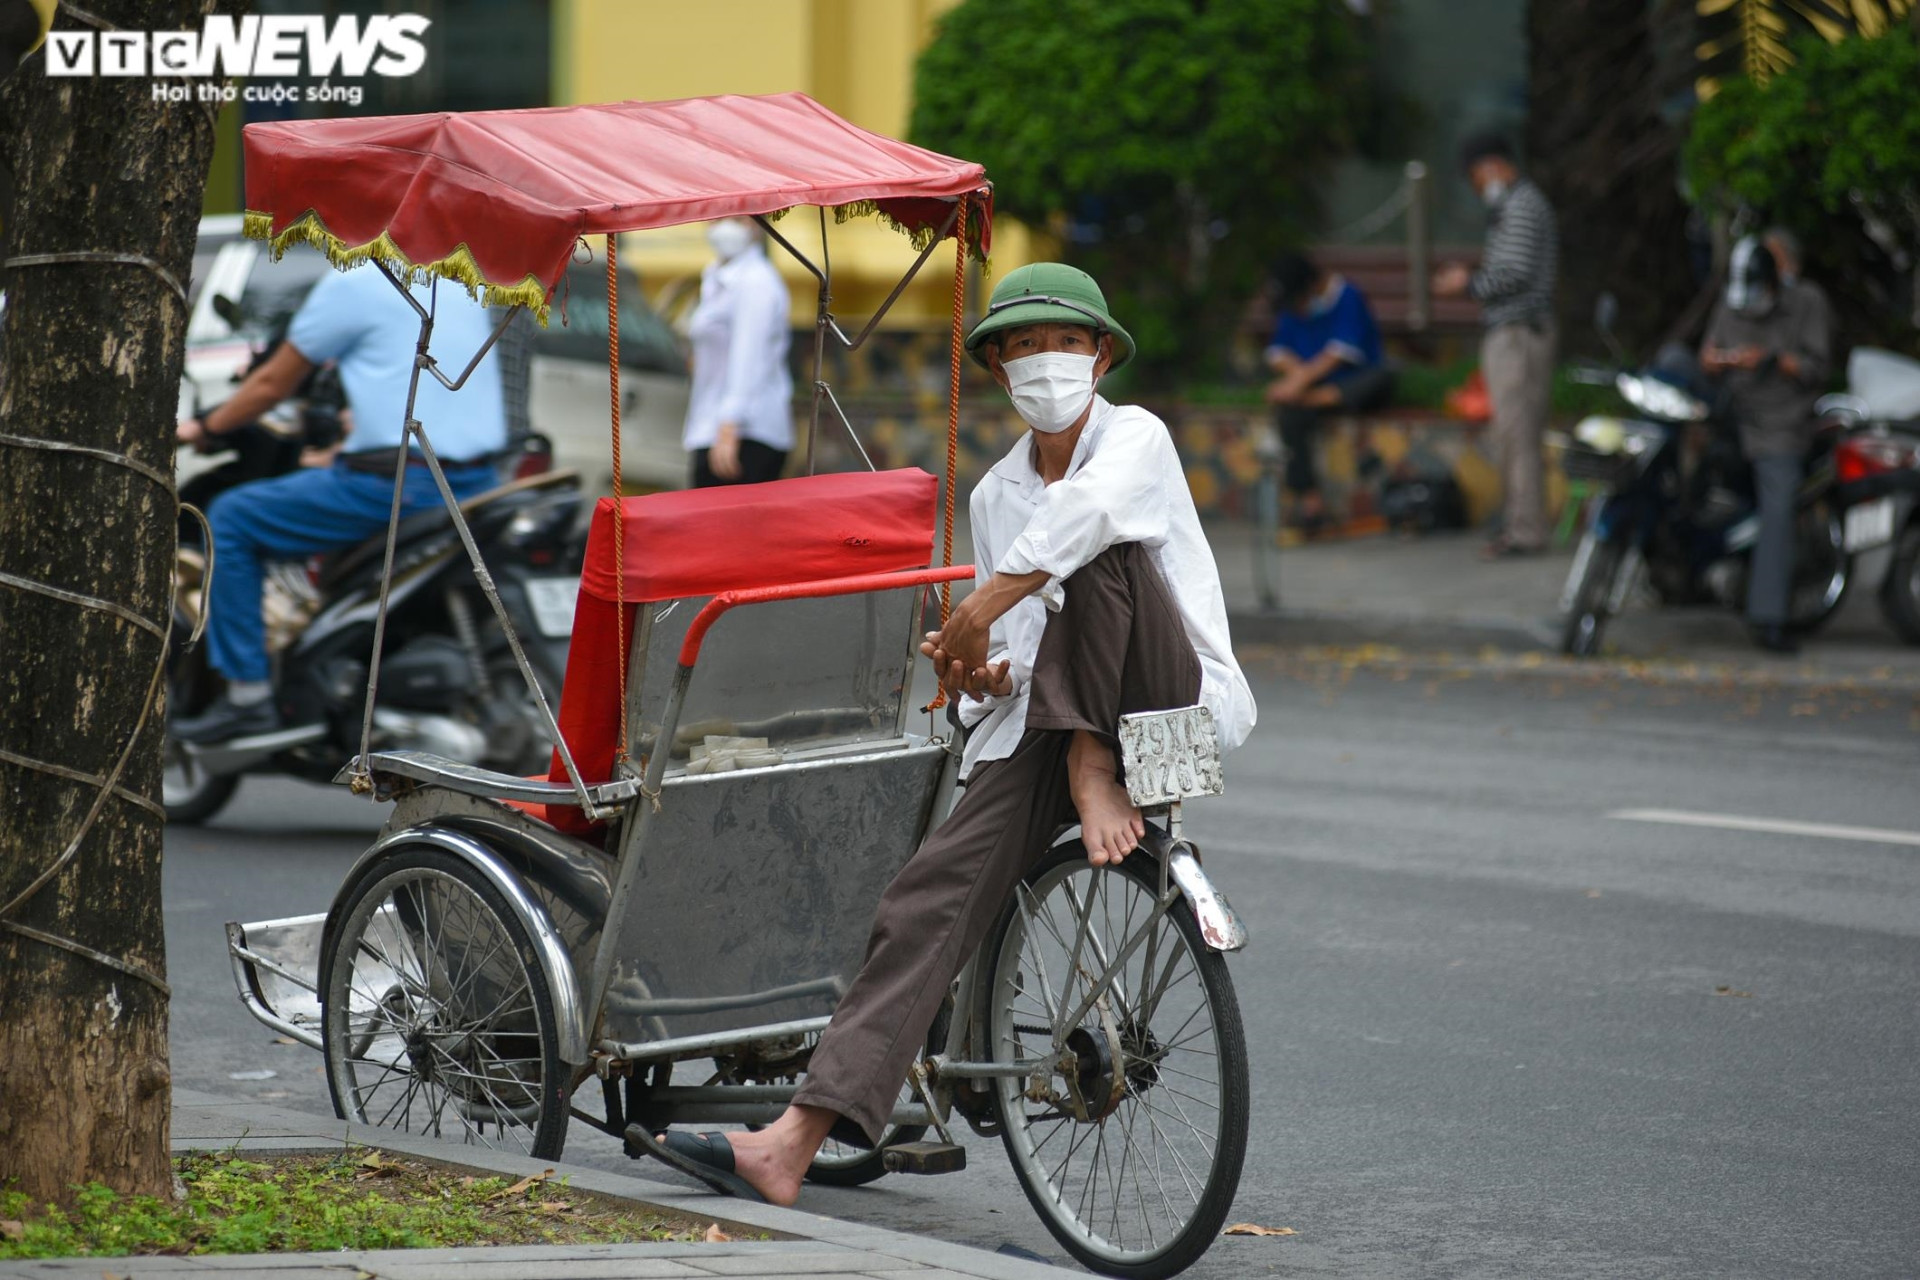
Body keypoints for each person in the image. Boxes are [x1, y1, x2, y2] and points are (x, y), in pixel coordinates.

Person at [631, 263, 1258, 1205]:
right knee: (923, 903)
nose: (1045, 361)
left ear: (1099, 356)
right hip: (1044, 726)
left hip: (1169, 707)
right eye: (1024, 346)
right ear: (999, 368)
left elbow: (1083, 525)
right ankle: (792, 1144)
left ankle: (1093, 761)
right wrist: (978, 669)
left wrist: (981, 606)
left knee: (1098, 548)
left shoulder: (1137, 437)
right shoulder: (997, 492)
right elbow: (1017, 655)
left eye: (1065, 343)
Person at [170, 268, 507, 743]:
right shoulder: (457, 279)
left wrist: (204, 428)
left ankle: (247, 696)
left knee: (232, 516)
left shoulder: (355, 281)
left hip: (400, 483)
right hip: (479, 480)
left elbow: (271, 384)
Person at [1700, 235, 1831, 654]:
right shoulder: (1733, 298)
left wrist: (1771, 359)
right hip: (1731, 414)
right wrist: (1720, 361)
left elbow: (1817, 368)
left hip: (1780, 423)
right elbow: (1707, 353)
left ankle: (1769, 617)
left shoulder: (1806, 302)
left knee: (1778, 509)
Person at [1433, 131, 1559, 559]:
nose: (1476, 187)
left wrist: (1466, 283)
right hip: (1515, 332)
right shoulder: (1518, 204)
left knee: (1517, 436)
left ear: (1492, 166)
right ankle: (1519, 524)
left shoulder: (1521, 205)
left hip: (1519, 334)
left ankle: (1525, 531)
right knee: (1514, 435)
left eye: (1475, 177)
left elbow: (1515, 273)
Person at [1263, 250, 1391, 529]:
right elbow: (1278, 351)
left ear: (1310, 286)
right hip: (1314, 387)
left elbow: (1340, 353)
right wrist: (1298, 376)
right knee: (1290, 417)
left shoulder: (1347, 297)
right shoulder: (1292, 306)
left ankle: (1312, 399)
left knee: (1382, 377)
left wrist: (1299, 383)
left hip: (1350, 383)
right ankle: (1310, 502)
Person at [682, 218, 794, 487]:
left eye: (737, 217)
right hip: (715, 426)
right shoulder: (716, 277)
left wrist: (729, 427)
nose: (725, 226)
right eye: (718, 216)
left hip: (745, 433)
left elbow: (749, 355)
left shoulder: (755, 281)